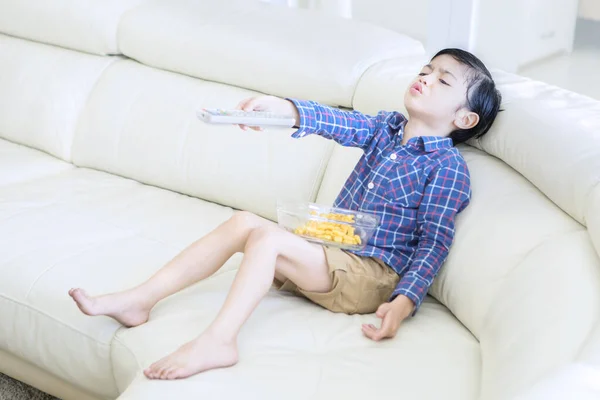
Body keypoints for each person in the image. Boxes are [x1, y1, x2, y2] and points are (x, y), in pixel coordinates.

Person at [69, 48, 502, 380]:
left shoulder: (446, 169)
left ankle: (218, 342)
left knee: (269, 239)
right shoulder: (385, 129)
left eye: (443, 80)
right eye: (426, 70)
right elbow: (335, 122)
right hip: (329, 247)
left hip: (370, 276)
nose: (426, 78)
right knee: (244, 222)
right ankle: (139, 300)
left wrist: (404, 301)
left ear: (464, 117)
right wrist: (284, 110)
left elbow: (434, 240)